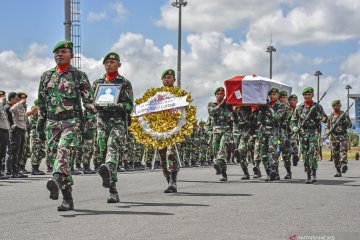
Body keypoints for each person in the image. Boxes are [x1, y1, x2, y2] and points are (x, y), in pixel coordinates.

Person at [37, 40, 97, 211]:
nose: (59, 54)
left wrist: (90, 127)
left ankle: (55, 179)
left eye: (63, 51)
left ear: (71, 54)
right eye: (56, 52)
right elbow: (42, 103)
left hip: (72, 122)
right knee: (57, 159)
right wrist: (40, 126)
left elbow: (89, 103)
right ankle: (67, 199)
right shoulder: (46, 76)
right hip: (52, 123)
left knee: (63, 151)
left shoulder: (79, 76)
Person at [95, 52, 133, 203]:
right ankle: (112, 185)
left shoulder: (124, 83)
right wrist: (96, 105)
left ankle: (113, 191)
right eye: (106, 62)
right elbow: (91, 103)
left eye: (112, 62)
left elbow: (130, 105)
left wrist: (117, 104)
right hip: (102, 122)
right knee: (104, 154)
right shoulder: (97, 83)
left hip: (117, 122)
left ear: (119, 64)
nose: (108, 64)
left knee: (112, 148)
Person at [290, 87, 327, 184]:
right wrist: (294, 128)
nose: (307, 96)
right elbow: (293, 121)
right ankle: (308, 174)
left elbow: (325, 118)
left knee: (313, 152)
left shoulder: (317, 106)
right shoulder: (299, 107)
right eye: (305, 95)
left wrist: (320, 117)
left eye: (309, 94)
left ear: (312, 95)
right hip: (303, 133)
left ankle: (314, 173)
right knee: (305, 154)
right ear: (303, 96)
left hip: (313, 132)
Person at [257, 88, 287, 181]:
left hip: (274, 131)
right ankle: (269, 173)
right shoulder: (264, 106)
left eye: (274, 94)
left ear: (278, 95)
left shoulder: (281, 105)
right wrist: (261, 109)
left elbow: (276, 117)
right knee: (263, 154)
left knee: (272, 151)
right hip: (263, 131)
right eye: (270, 94)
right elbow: (259, 119)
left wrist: (268, 107)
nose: (272, 96)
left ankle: (274, 169)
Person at [9, 93, 37, 178]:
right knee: (15, 151)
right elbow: (11, 109)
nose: (24, 100)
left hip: (22, 130)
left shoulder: (22, 108)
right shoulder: (16, 106)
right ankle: (13, 172)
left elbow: (24, 117)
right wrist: (20, 103)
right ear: (18, 99)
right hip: (16, 130)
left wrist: (32, 112)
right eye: (21, 98)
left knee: (21, 152)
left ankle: (17, 170)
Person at [208, 87, 233, 181]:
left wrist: (228, 105)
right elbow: (212, 112)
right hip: (216, 130)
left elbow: (230, 116)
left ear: (224, 95)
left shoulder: (228, 105)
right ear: (215, 95)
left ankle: (220, 167)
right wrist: (221, 105)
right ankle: (224, 173)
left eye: (222, 93)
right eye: (218, 93)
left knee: (222, 148)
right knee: (216, 152)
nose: (220, 95)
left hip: (226, 129)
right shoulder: (211, 104)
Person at [324, 100, 352, 177]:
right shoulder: (330, 116)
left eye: (337, 105)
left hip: (343, 136)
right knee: (335, 155)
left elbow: (349, 125)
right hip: (334, 137)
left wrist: (344, 119)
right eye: (334, 105)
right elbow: (327, 127)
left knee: (343, 151)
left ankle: (344, 164)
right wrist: (327, 132)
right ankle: (338, 170)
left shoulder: (344, 114)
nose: (336, 107)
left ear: (340, 106)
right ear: (332, 107)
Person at [29, 99, 46, 175]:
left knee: (41, 152)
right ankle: (34, 169)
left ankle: (36, 168)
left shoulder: (41, 111)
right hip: (35, 133)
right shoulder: (34, 111)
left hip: (41, 133)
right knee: (36, 151)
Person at [0, 90, 10, 179]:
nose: (5, 98)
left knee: (2, 152)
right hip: (1, 132)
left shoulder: (3, 108)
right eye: (3, 96)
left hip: (4, 132)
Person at [288, 94, 299, 166]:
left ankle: (295, 156)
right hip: (287, 129)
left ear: (297, 101)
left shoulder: (299, 109)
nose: (292, 102)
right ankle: (288, 159)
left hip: (295, 130)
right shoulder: (286, 109)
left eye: (294, 100)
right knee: (287, 145)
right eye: (291, 100)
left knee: (293, 142)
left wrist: (298, 127)